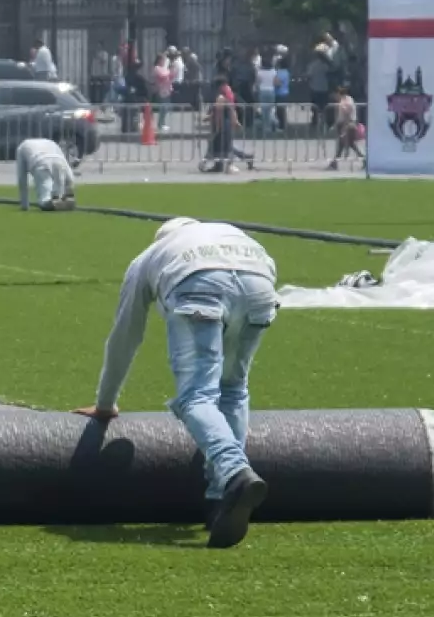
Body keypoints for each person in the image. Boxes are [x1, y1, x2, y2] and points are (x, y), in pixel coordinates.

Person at [75, 218, 278, 549]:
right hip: (259, 282)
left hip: (197, 282)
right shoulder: (225, 232)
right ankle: (218, 501)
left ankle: (235, 470)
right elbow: (263, 270)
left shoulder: (150, 257)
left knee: (195, 397)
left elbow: (125, 337)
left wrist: (105, 403)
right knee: (233, 389)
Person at [15, 138, 76, 211]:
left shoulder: (21, 148)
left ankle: (50, 202)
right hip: (59, 161)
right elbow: (64, 162)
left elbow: (22, 179)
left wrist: (24, 205)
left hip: (40, 162)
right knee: (60, 190)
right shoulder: (50, 142)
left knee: (45, 198)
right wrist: (69, 184)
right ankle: (64, 197)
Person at [204, 73, 242, 173]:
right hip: (225, 121)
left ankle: (224, 166)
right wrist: (235, 120)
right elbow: (232, 108)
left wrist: (210, 117)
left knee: (222, 145)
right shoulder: (228, 91)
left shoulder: (221, 95)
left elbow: (220, 108)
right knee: (223, 145)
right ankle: (221, 165)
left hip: (222, 122)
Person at [330, 85, 363, 169]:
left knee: (343, 144)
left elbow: (347, 115)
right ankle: (335, 162)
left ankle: (335, 162)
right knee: (350, 144)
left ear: (338, 93)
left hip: (346, 125)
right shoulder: (348, 99)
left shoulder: (344, 102)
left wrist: (344, 129)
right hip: (348, 124)